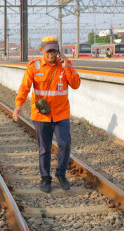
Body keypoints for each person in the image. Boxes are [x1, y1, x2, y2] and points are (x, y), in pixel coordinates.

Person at [12, 36, 81, 193]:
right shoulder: (34, 66)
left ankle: (61, 173)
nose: (51, 54)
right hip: (41, 115)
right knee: (44, 148)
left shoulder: (65, 65)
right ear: (41, 50)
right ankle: (45, 178)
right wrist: (18, 106)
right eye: (48, 50)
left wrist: (67, 67)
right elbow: (24, 88)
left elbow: (76, 85)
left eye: (54, 50)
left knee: (64, 143)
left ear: (58, 51)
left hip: (61, 113)